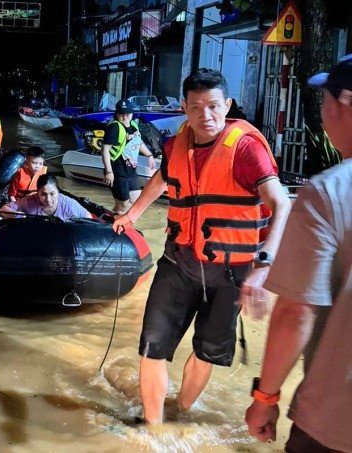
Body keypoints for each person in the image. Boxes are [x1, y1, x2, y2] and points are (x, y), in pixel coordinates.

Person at [112, 68, 291, 424]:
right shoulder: (176, 143)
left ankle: (179, 411)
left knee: (206, 352)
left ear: (227, 105)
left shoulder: (245, 150)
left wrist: (264, 265)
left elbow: (282, 204)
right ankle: (153, 430)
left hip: (230, 270)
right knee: (152, 347)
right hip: (178, 261)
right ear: (184, 107)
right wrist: (131, 214)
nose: (204, 116)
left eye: (213, 106)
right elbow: (163, 178)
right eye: (195, 107)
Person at [245, 54, 352, 452]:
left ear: (344, 102)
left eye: (324, 98)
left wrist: (265, 399)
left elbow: (295, 313)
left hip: (335, 422)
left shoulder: (327, 193)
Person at [101, 99, 156, 215]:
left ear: (132, 113)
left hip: (131, 171)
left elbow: (139, 143)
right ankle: (111, 226)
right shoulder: (114, 128)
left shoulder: (134, 125)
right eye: (122, 114)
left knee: (136, 203)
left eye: (128, 113)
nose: (125, 116)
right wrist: (109, 172)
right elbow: (105, 150)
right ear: (117, 114)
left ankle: (122, 225)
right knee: (122, 206)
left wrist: (149, 155)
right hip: (117, 171)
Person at [1, 174, 91, 221]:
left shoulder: (69, 205)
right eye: (43, 194)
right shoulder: (30, 200)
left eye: (52, 194)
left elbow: (88, 217)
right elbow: (4, 209)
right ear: (37, 193)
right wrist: (18, 215)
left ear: (58, 192)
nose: (48, 199)